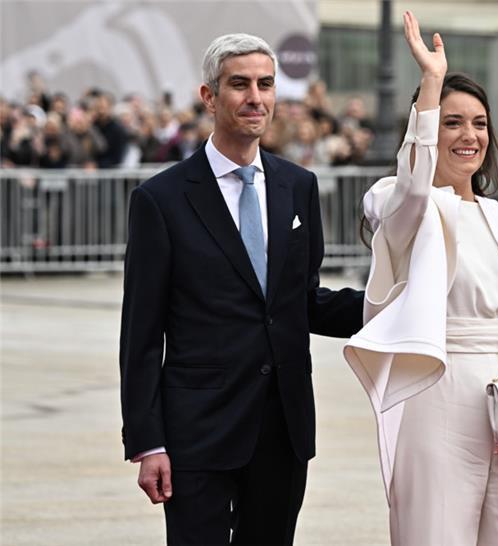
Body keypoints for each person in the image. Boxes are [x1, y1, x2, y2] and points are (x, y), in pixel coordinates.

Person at [344, 12, 498, 546]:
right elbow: (414, 186)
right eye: (453, 122)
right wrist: (431, 82)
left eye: (479, 123)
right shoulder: (396, 201)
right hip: (435, 400)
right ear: (428, 125)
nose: (468, 135)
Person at [119, 33, 363, 546]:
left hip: (283, 426)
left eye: (265, 84)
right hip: (197, 432)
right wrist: (147, 442)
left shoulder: (298, 185)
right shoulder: (160, 200)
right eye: (240, 84)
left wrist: (396, 305)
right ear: (209, 96)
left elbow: (302, 301)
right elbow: (140, 335)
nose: (255, 97)